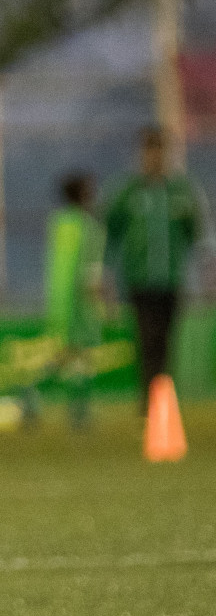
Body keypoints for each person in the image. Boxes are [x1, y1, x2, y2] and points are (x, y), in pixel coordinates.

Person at [104, 127, 208, 407]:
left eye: (160, 151)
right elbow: (109, 234)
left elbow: (196, 234)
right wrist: (104, 274)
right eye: (150, 151)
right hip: (139, 279)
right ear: (141, 155)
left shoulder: (181, 191)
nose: (155, 158)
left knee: (166, 342)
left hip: (171, 279)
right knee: (147, 340)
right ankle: (147, 404)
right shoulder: (128, 192)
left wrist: (205, 273)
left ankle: (163, 406)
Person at [41, 172, 105, 430]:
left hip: (58, 301)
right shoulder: (90, 226)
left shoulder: (58, 223)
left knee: (63, 356)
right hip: (81, 302)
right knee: (82, 357)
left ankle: (31, 394)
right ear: (83, 195)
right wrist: (102, 300)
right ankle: (80, 411)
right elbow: (90, 270)